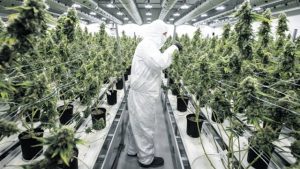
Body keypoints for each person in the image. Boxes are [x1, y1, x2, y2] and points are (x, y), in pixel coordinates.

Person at [126, 19, 182, 168]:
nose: (165, 37)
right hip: (143, 95)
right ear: (157, 32)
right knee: (145, 126)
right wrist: (174, 48)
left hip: (139, 92)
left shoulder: (148, 45)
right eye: (164, 34)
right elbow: (160, 63)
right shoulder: (147, 45)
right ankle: (146, 159)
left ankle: (132, 149)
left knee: (135, 123)